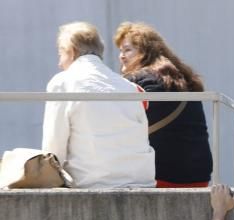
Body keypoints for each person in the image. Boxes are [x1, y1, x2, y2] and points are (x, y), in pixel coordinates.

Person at [42, 22, 155, 188]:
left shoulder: (63, 82)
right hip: (142, 182)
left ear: (71, 51)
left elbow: (53, 148)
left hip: (92, 184)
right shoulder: (130, 87)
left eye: (60, 54)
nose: (59, 63)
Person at [114, 22, 212, 188]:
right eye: (121, 51)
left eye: (128, 49)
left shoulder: (142, 80)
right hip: (198, 174)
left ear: (146, 51)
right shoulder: (184, 79)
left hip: (162, 175)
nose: (121, 56)